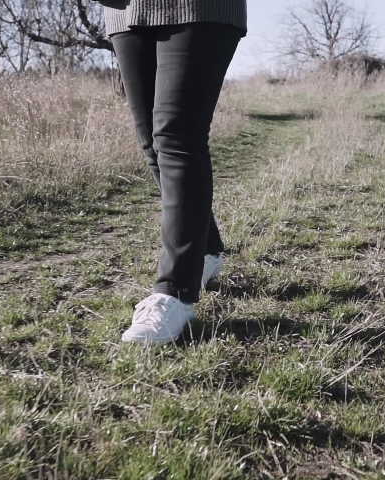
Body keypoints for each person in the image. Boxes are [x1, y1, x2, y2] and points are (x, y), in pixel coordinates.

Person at [99, 0, 247, 345]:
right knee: (151, 143)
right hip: (126, 10)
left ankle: (175, 291)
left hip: (199, 8)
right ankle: (206, 251)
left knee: (177, 137)